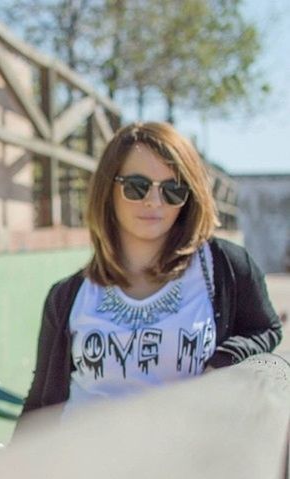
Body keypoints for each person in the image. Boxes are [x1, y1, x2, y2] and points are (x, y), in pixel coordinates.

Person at [18, 121, 283, 427]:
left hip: (181, 464)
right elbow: (41, 402)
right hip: (86, 466)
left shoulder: (224, 267)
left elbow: (265, 329)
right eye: (137, 186)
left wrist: (224, 360)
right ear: (109, 189)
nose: (154, 202)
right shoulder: (68, 296)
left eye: (173, 190)